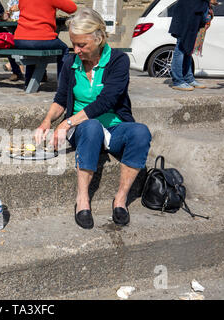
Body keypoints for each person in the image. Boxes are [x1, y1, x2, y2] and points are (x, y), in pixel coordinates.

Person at [34, 7, 152, 229]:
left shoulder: (118, 61)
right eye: (73, 44)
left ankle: (120, 199)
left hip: (114, 127)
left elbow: (107, 101)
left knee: (140, 132)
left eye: (82, 45)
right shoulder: (70, 63)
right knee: (91, 127)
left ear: (98, 39)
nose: (76, 50)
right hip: (85, 131)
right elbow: (61, 98)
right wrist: (47, 121)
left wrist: (66, 123)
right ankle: (82, 199)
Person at [12, 0, 77, 88]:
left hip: (20, 39)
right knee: (64, 48)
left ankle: (28, 82)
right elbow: (72, 8)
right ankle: (62, 85)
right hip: (42, 37)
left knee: (32, 49)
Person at [168, 0, 218, 91]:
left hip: (194, 14)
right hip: (187, 14)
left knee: (188, 48)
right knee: (181, 48)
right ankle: (178, 81)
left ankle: (188, 78)